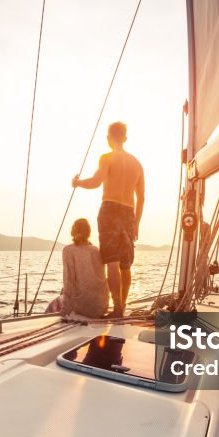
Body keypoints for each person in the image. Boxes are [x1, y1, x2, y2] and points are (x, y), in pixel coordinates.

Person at [71, 121, 144, 318]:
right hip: (129, 213)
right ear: (125, 138)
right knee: (126, 264)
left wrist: (77, 182)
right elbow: (142, 198)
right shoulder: (137, 164)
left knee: (112, 262)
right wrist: (136, 222)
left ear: (108, 138)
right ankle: (123, 306)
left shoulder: (107, 158)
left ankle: (117, 308)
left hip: (110, 209)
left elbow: (96, 182)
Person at [49, 218, 108, 318]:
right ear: (88, 232)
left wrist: (65, 311)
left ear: (73, 231)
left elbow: (69, 282)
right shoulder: (96, 250)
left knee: (56, 301)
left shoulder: (68, 250)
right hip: (100, 307)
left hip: (82, 308)